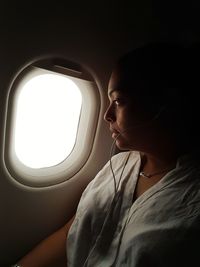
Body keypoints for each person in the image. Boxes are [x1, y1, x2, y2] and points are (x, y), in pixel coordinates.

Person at [13, 42, 200, 267]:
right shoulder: (119, 165)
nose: (106, 115)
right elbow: (70, 235)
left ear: (163, 105)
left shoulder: (192, 197)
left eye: (119, 101)